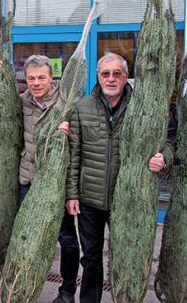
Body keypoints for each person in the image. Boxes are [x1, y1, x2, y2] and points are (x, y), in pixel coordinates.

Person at [66, 52, 172, 303]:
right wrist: (72, 194)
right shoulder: (82, 108)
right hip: (90, 198)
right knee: (90, 257)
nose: (111, 78)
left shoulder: (143, 108)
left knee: (125, 255)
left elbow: (167, 141)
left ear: (126, 77)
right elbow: (74, 155)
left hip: (127, 198)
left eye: (117, 73)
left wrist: (164, 157)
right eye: (105, 73)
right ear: (98, 77)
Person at [0, 55, 80, 303]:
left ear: (51, 78)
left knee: (66, 239)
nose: (36, 83)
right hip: (28, 180)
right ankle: (20, 287)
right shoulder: (21, 102)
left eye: (42, 77)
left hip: (55, 185)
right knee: (23, 234)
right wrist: (0, 74)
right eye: (31, 78)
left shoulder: (66, 104)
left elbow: (78, 145)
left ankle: (67, 290)